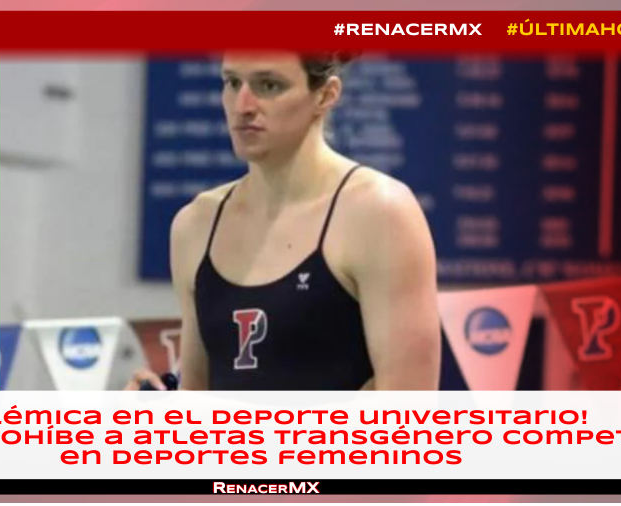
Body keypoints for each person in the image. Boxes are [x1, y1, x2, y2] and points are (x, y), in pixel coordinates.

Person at [127, 51, 440, 391]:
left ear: (325, 95)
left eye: (269, 85)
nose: (242, 106)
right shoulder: (195, 226)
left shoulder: (378, 212)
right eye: (232, 83)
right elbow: (197, 398)